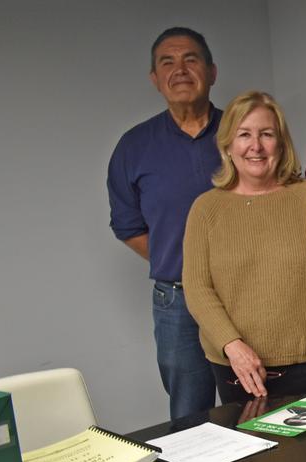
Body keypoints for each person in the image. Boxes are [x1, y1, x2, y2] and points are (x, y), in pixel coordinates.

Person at [183, 91, 306, 404]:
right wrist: (232, 346)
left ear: (281, 142)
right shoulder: (206, 209)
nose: (256, 146)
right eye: (244, 135)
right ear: (228, 145)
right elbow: (197, 287)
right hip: (238, 367)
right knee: (254, 452)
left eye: (266, 134)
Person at [107, 27, 221, 420]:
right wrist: (187, 265)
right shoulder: (134, 146)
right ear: (155, 79)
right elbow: (127, 226)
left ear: (211, 71)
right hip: (178, 300)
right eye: (167, 62)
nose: (180, 70)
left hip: (247, 294)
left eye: (190, 59)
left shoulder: (243, 136)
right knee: (191, 416)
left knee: (261, 406)